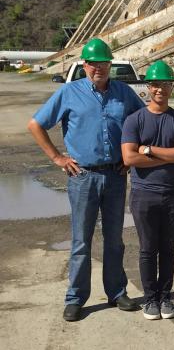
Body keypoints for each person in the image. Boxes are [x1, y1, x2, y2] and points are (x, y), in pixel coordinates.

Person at [27, 38, 143, 322]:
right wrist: (58, 158)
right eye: (92, 63)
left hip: (115, 176)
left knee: (114, 239)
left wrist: (131, 157)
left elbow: (143, 121)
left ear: (109, 65)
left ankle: (117, 292)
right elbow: (35, 124)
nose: (97, 68)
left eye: (103, 63)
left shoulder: (124, 93)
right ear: (85, 65)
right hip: (83, 176)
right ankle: (76, 298)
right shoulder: (69, 92)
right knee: (81, 241)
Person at [121, 61, 174, 320]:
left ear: (172, 87)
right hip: (143, 195)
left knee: (168, 248)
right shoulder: (134, 120)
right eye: (155, 84)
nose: (160, 89)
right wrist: (169, 156)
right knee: (148, 249)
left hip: (172, 193)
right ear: (147, 87)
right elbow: (129, 159)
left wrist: (149, 150)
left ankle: (165, 297)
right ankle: (150, 299)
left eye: (164, 84)